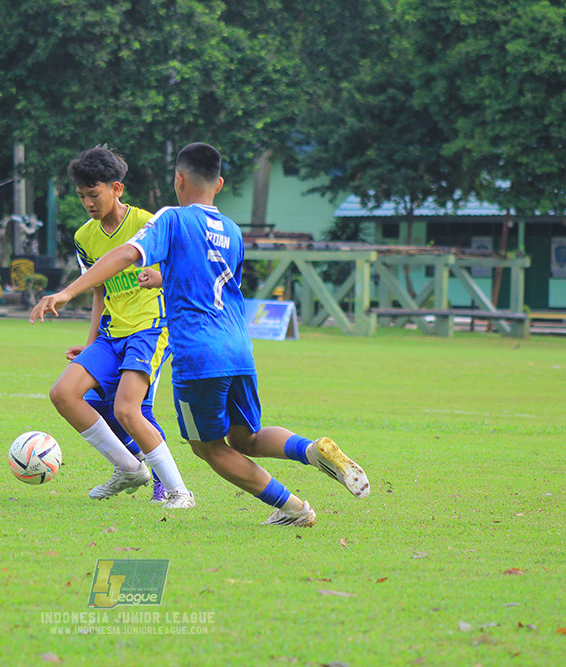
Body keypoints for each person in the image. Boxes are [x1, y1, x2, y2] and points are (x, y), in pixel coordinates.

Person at [31, 143, 369, 526]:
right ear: (220, 183)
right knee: (247, 439)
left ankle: (294, 508)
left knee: (207, 448)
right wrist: (162, 278)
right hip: (239, 348)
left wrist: (65, 291)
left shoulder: (172, 218)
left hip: (199, 354)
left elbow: (126, 254)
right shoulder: (232, 230)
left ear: (179, 178)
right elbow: (214, 285)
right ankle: (311, 449)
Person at [49, 146, 194, 509]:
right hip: (113, 333)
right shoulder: (86, 237)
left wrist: (159, 276)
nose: (87, 203)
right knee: (66, 394)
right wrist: (91, 342)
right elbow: (98, 289)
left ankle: (177, 490)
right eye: (81, 196)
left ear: (117, 189)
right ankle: (128, 468)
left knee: (130, 409)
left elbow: (187, 274)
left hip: (152, 327)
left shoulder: (151, 224)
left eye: (93, 194)